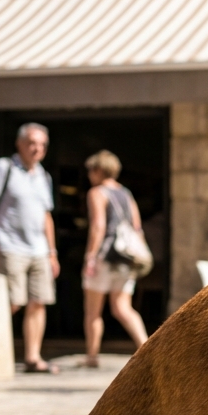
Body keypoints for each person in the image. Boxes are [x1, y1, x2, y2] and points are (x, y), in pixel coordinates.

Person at [0, 123, 60, 374]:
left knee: (38, 302)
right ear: (19, 144)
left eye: (42, 145)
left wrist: (52, 252)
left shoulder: (43, 175)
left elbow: (46, 216)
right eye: (32, 143)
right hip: (8, 245)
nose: (37, 149)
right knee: (11, 303)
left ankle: (33, 358)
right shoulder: (4, 168)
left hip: (39, 250)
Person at [81, 150, 150, 368]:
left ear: (99, 170)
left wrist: (90, 257)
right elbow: (137, 227)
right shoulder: (126, 194)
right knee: (122, 307)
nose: (89, 175)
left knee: (93, 311)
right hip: (126, 259)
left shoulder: (97, 193)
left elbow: (98, 226)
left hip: (106, 256)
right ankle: (147, 349)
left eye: (91, 170)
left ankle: (92, 356)